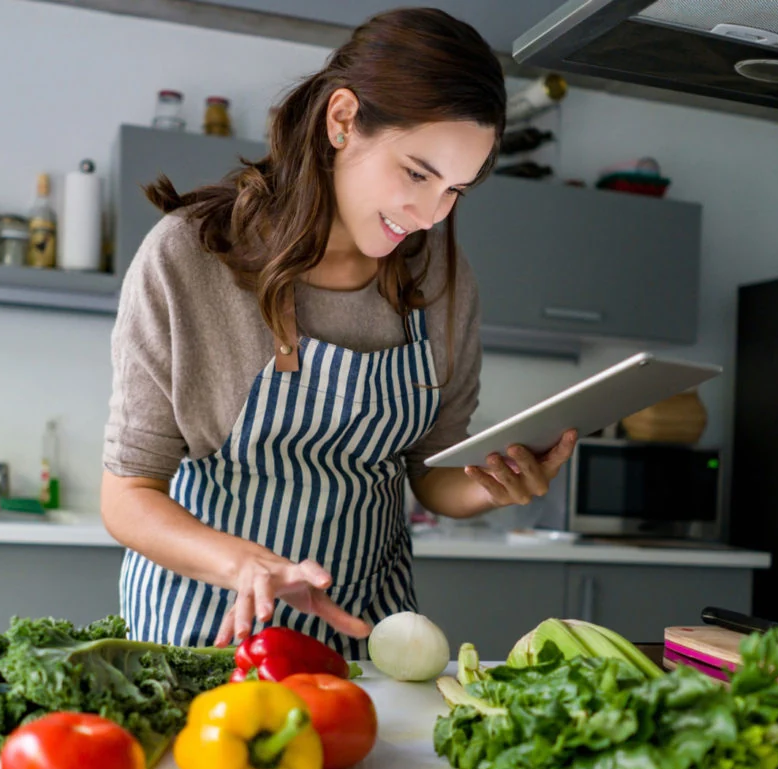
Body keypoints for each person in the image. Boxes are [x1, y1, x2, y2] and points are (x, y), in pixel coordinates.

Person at [101, 7, 576, 657]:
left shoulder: (440, 273)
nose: (429, 216)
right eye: (417, 173)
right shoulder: (187, 259)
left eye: (455, 192)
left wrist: (493, 482)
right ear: (343, 119)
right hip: (207, 630)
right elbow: (127, 496)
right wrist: (246, 565)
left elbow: (432, 470)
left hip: (366, 634)